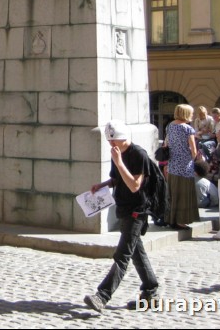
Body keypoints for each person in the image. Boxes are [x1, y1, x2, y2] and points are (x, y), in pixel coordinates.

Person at [83, 120, 159, 313]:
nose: (111, 144)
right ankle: (151, 291)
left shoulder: (138, 154)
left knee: (123, 254)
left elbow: (135, 185)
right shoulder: (118, 153)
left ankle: (102, 296)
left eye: (114, 140)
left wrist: (118, 162)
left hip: (138, 210)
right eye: (110, 141)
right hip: (124, 208)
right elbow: (118, 178)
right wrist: (104, 185)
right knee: (136, 253)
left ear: (123, 138)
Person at [165, 104, 201, 229]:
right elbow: (193, 150)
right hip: (185, 166)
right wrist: (193, 157)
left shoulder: (170, 126)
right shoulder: (188, 129)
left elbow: (166, 143)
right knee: (184, 193)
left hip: (172, 164)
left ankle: (171, 218)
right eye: (191, 113)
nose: (192, 115)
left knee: (173, 192)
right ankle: (181, 220)